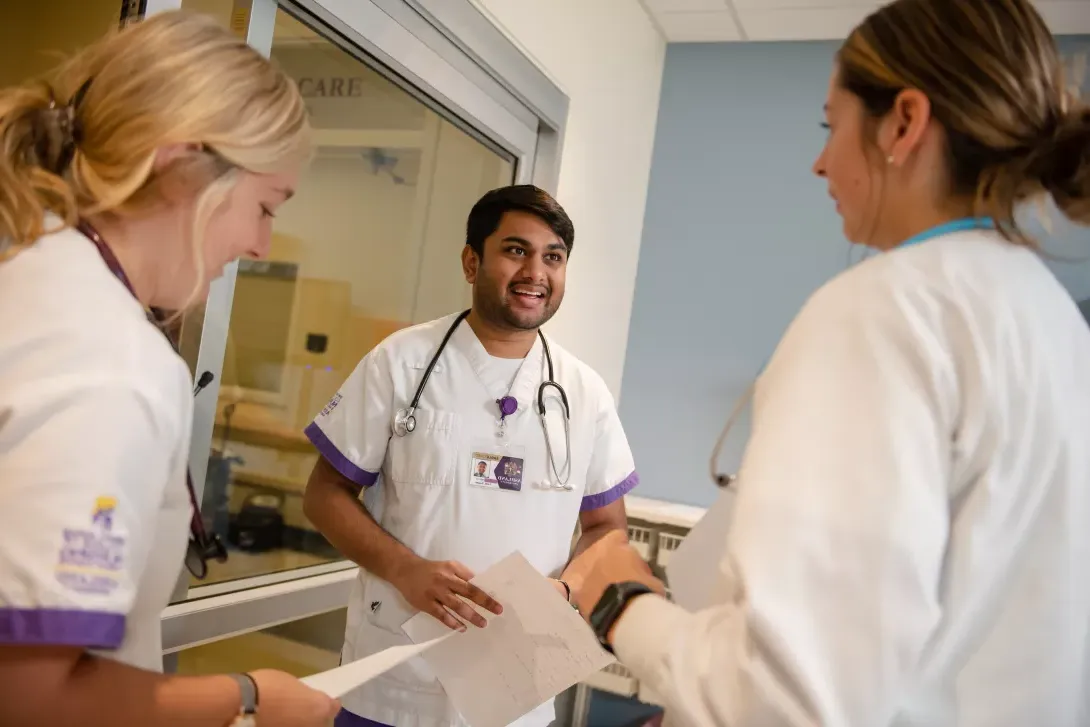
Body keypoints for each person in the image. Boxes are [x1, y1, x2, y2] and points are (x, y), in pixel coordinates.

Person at [564, 1, 1090, 725]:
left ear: (903, 122)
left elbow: (785, 699)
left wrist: (620, 600)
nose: (820, 161)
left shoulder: (886, 311)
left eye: (830, 124)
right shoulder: (1057, 324)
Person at [0, 11, 339, 727]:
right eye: (265, 206)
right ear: (182, 162)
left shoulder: (30, 276)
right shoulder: (110, 358)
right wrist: (250, 696)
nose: (259, 243)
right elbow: (28, 696)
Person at [303, 184, 639, 727]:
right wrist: (405, 568)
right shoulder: (401, 363)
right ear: (471, 260)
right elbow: (323, 496)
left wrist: (564, 590)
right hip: (393, 685)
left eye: (553, 257)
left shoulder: (584, 392)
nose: (536, 271)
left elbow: (607, 528)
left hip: (515, 690)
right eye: (515, 250)